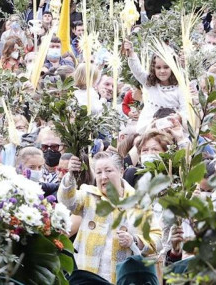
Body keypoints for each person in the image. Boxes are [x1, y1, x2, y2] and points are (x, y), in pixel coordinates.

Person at [59, 151, 162, 282]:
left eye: (108, 171)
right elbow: (67, 201)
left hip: (121, 278)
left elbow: (157, 238)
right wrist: (70, 176)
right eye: (98, 172)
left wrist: (135, 241)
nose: (103, 177)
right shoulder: (88, 196)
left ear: (121, 171)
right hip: (87, 277)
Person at [122, 39, 182, 127]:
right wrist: (131, 53)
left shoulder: (179, 88)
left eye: (166, 67)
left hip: (172, 125)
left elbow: (185, 109)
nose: (162, 71)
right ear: (153, 68)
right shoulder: (151, 84)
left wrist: (179, 116)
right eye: (158, 67)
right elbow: (138, 71)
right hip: (151, 126)